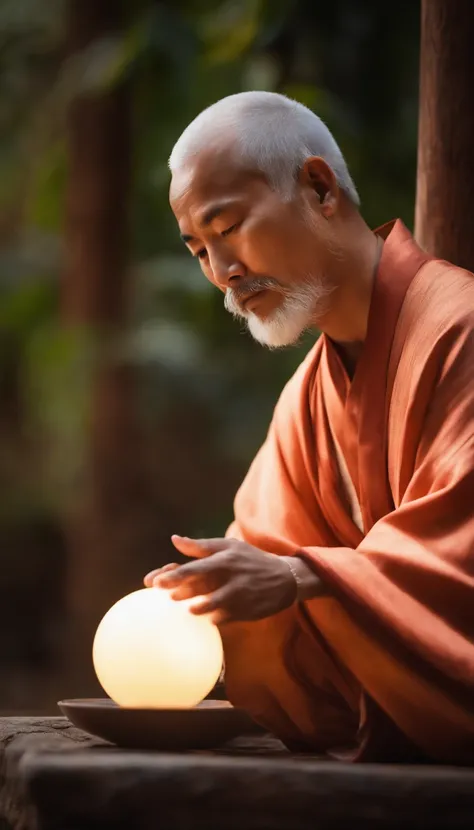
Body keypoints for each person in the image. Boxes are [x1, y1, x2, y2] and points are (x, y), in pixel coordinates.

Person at [144, 91, 474, 764]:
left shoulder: (461, 330)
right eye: (198, 249)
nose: (223, 273)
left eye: (228, 225)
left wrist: (305, 577)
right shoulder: (305, 402)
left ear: (320, 188)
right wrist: (200, 602)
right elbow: (263, 564)